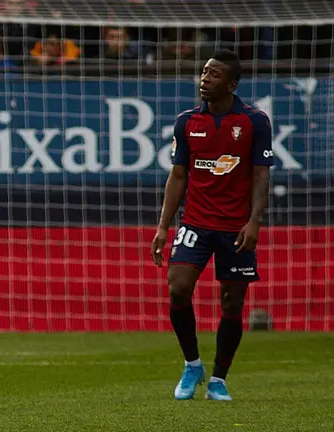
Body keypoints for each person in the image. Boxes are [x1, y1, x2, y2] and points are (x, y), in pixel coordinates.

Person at [151, 49, 273, 401]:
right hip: (196, 222)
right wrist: (163, 227)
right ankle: (192, 364)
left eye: (214, 75)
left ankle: (219, 379)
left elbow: (260, 174)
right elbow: (177, 176)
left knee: (232, 303)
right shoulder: (187, 121)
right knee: (177, 288)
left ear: (232, 85)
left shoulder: (254, 121)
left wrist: (254, 222)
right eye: (204, 73)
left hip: (235, 227)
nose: (205, 79)